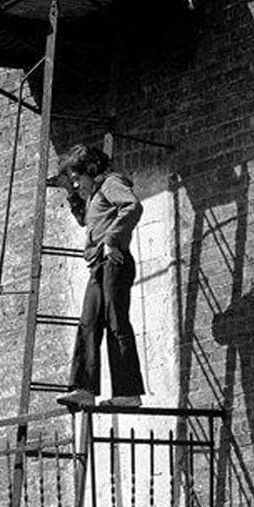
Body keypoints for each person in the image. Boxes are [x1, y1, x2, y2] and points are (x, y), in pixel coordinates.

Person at [52, 143, 147, 411]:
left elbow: (132, 206)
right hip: (98, 265)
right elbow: (84, 219)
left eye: (77, 179)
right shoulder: (93, 195)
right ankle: (84, 388)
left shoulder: (110, 183)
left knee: (116, 322)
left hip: (114, 261)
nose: (76, 184)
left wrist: (111, 239)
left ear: (92, 171)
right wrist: (71, 193)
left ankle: (128, 392)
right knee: (89, 322)